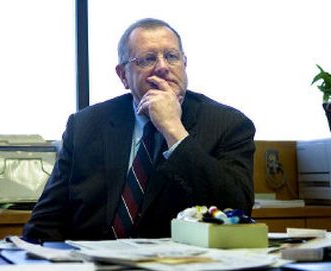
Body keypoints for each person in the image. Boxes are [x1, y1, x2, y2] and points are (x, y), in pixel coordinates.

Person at [22, 18, 256, 242]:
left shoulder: (228, 125)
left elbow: (236, 208)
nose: (163, 67)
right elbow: (44, 223)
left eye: (172, 57)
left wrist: (174, 131)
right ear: (123, 75)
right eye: (148, 59)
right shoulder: (85, 126)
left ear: (185, 64)